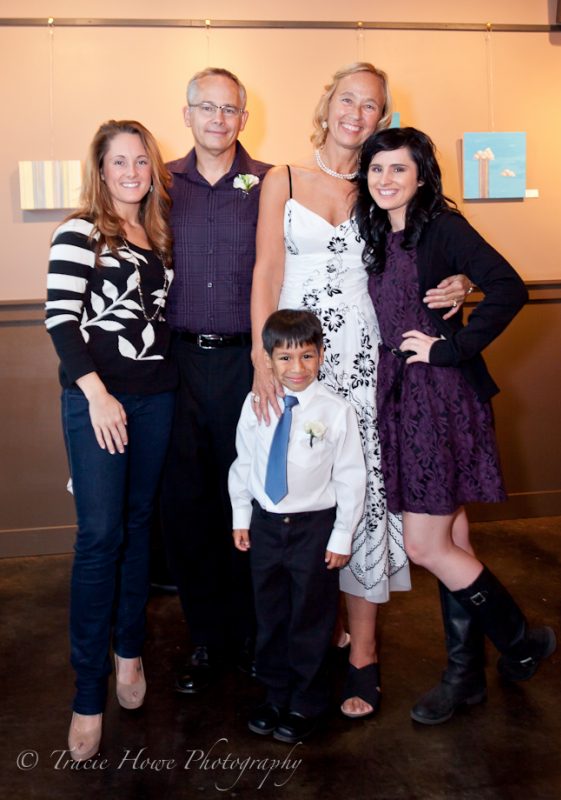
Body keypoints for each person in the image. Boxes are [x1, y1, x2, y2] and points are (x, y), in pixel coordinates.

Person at [250, 63, 470, 718]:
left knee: (362, 498)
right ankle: (312, 639)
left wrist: (460, 284)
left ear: (382, 118)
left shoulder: (385, 186)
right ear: (328, 104)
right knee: (298, 501)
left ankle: (363, 653)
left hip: (366, 367)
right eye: (347, 99)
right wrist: (262, 359)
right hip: (295, 364)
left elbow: (431, 252)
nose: (356, 112)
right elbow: (266, 267)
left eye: (370, 105)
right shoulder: (281, 179)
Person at [355, 125, 557, 725]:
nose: (386, 180)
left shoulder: (442, 227)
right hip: (401, 394)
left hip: (438, 397)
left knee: (423, 545)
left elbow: (509, 288)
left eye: (399, 169)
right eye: (377, 169)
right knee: (453, 540)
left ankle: (521, 640)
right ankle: (464, 677)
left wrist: (452, 348)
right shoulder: (376, 234)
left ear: (421, 176)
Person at [45, 120, 177, 760]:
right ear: (100, 170)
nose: (131, 172)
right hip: (97, 402)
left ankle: (130, 654)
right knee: (100, 539)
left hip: (156, 402)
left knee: (138, 525)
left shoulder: (158, 235)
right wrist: (97, 396)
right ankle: (87, 694)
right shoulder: (80, 232)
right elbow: (60, 321)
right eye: (118, 161)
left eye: (140, 161)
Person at [160, 68, 272, 693]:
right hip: (175, 366)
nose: (218, 119)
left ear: (244, 119)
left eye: (230, 109)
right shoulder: (161, 184)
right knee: (188, 505)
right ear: (187, 113)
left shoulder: (268, 184)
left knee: (250, 500)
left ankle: (255, 634)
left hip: (246, 364)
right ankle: (205, 638)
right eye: (207, 106)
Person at [229, 309, 366, 743]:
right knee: (270, 615)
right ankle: (274, 693)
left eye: (307, 356)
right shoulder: (255, 405)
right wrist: (241, 516)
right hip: (266, 527)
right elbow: (244, 463)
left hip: (314, 529)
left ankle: (307, 700)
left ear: (321, 355)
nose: (297, 368)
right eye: (285, 359)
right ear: (267, 359)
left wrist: (342, 534)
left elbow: (350, 475)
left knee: (311, 617)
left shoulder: (335, 409)